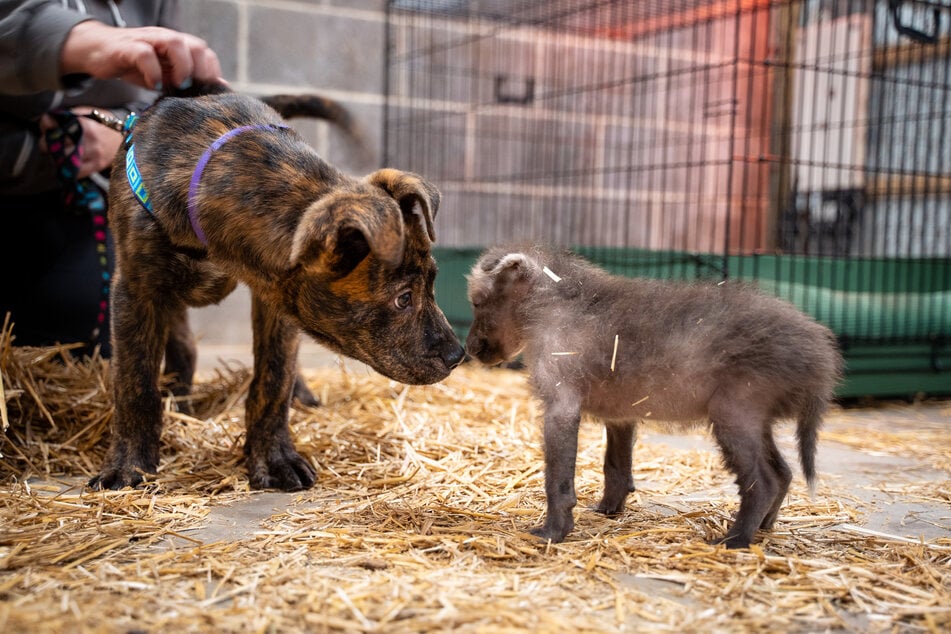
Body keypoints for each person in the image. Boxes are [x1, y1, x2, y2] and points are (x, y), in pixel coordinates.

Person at [0, 0, 222, 357]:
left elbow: (161, 96)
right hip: (17, 185)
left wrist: (118, 132)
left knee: (99, 339)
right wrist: (91, 44)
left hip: (89, 196)